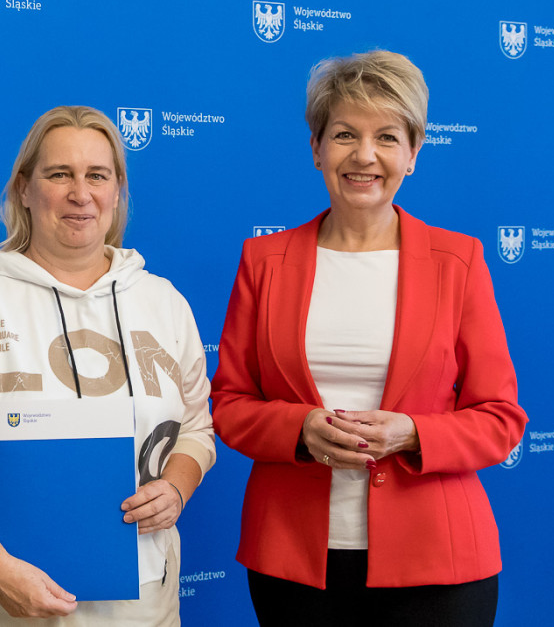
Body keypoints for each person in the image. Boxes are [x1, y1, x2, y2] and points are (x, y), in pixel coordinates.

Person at [211, 51, 527, 627]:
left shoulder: (459, 262)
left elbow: (500, 418)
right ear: (316, 148)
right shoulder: (264, 261)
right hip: (293, 562)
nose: (364, 155)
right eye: (344, 135)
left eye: (386, 137)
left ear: (413, 153)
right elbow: (230, 405)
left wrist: (414, 433)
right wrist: (299, 429)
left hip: (439, 562)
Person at [0, 105, 215, 625]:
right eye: (60, 174)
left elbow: (196, 430)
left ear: (118, 191)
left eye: (98, 175)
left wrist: (176, 488)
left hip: (139, 609)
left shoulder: (163, 303)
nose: (80, 193)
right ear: (24, 188)